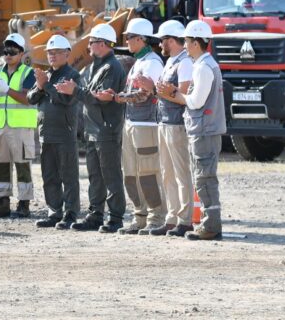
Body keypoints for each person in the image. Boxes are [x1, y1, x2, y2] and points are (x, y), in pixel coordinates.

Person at [158, 20, 226, 241]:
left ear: (196, 43)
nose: (185, 46)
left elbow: (196, 102)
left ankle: (210, 226)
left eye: (187, 41)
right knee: (203, 178)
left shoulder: (203, 68)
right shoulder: (205, 65)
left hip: (204, 130)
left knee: (204, 179)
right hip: (204, 129)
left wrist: (173, 94)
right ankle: (209, 224)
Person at [135, 20, 195, 237]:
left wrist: (154, 89)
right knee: (168, 174)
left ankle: (185, 220)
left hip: (177, 124)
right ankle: (172, 218)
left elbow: (184, 95)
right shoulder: (171, 62)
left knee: (181, 174)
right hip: (165, 122)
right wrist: (154, 90)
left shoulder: (184, 63)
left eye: (162, 40)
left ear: (171, 40)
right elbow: (167, 93)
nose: (160, 44)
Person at [66, 23, 127, 233]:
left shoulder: (112, 67)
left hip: (106, 129)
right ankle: (95, 215)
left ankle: (116, 217)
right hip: (94, 129)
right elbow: (91, 94)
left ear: (102, 43)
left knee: (110, 175)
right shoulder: (95, 66)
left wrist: (75, 91)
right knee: (95, 176)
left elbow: (100, 98)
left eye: (91, 42)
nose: (88, 46)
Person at [116, 17, 166, 235]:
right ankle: (140, 217)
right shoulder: (139, 62)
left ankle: (156, 217)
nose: (126, 40)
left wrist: (119, 98)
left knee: (148, 173)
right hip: (132, 123)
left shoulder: (153, 63)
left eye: (129, 37)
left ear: (141, 39)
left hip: (146, 124)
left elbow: (145, 94)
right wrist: (120, 96)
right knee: (130, 174)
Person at [27, 35, 81, 230]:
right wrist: (40, 86)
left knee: (68, 176)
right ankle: (54, 212)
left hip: (64, 134)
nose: (52, 56)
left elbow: (66, 100)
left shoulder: (72, 75)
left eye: (57, 52)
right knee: (49, 176)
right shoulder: (46, 75)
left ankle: (70, 214)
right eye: (50, 53)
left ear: (67, 54)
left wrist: (46, 86)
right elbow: (31, 98)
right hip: (46, 134)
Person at [0, 34, 37, 219]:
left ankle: (24, 204)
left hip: (21, 126)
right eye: (6, 51)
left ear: (21, 53)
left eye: (13, 51)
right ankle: (3, 202)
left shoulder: (29, 73)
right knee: (0, 164)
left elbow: (27, 99)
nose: (8, 54)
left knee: (22, 164)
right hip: (1, 126)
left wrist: (7, 89)